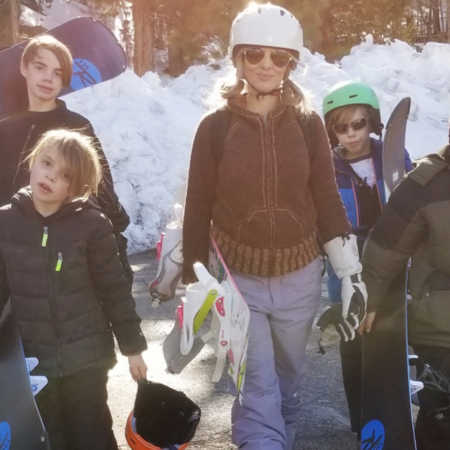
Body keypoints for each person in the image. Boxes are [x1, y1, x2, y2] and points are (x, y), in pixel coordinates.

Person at [182, 4, 368, 449]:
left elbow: (325, 197)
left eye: (279, 57)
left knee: (287, 378)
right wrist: (194, 276)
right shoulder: (214, 128)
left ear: (292, 64)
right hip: (239, 281)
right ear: (237, 58)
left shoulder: (307, 126)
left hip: (300, 276)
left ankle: (280, 431)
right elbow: (197, 204)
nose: (266, 64)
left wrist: (350, 274)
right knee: (257, 382)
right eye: (254, 54)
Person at [0, 129, 147, 450]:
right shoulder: (6, 224)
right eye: (47, 163)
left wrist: (132, 347)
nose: (51, 176)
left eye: (64, 174)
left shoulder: (92, 225)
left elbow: (114, 290)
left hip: (87, 360)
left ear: (76, 187)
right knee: (50, 437)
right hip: (34, 362)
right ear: (32, 162)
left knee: (91, 432)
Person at [0, 34, 133, 284]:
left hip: (65, 258)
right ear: (24, 68)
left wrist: (115, 251)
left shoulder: (77, 126)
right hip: (14, 262)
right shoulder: (5, 131)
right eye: (40, 67)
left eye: (58, 73)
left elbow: (101, 190)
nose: (48, 78)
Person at [321, 81, 413, 438]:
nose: (351, 134)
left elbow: (408, 195)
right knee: (353, 336)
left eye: (358, 124)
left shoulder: (388, 155)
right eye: (342, 128)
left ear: (371, 122)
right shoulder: (327, 167)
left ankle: (389, 406)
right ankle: (361, 417)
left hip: (388, 257)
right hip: (345, 259)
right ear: (332, 131)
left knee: (388, 333)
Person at [360, 131, 450, 449]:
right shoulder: (427, 183)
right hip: (441, 326)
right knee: (441, 423)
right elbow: (386, 247)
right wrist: (370, 302)